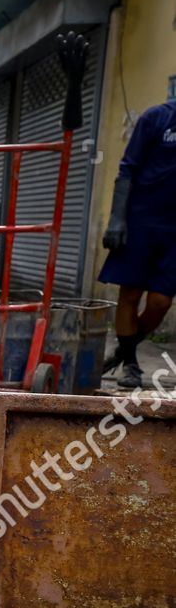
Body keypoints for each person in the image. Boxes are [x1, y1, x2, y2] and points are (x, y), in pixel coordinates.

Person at [99, 98, 176, 389]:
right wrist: (117, 219)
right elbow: (127, 168)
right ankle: (131, 364)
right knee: (130, 294)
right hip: (140, 222)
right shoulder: (156, 118)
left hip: (174, 233)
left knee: (160, 301)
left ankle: (123, 349)